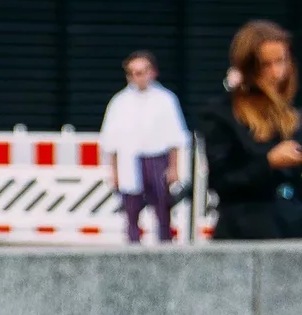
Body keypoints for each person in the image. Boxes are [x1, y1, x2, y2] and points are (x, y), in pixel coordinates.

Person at [199, 21, 302, 240]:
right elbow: (222, 183)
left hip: (291, 229)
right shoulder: (221, 113)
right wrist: (269, 162)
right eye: (267, 65)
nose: (277, 73)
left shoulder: (291, 114)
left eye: (281, 61)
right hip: (245, 231)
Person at [98, 51, 189, 244]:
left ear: (152, 72)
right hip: (129, 161)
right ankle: (133, 251)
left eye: (142, 72)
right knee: (131, 212)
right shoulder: (119, 102)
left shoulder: (166, 99)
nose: (138, 77)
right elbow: (111, 142)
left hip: (157, 160)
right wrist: (114, 172)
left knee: (163, 210)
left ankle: (164, 248)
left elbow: (175, 138)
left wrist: (173, 168)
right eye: (133, 73)